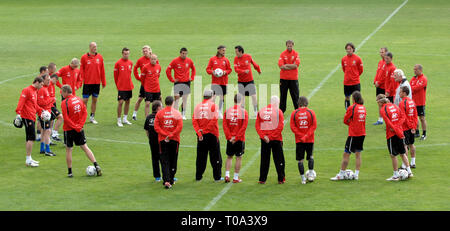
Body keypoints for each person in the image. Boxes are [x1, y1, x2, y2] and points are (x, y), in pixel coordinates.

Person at [61, 85, 102, 177]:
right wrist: (80, 125)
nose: (61, 93)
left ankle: (70, 172)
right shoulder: (79, 99)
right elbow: (85, 112)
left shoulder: (64, 102)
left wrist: (74, 126)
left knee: (69, 150)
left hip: (69, 129)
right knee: (85, 147)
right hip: (79, 128)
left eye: (62, 92)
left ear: (66, 92)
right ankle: (96, 164)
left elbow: (66, 119)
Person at [331, 91, 366, 181]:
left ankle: (341, 174)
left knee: (346, 154)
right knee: (358, 154)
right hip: (362, 134)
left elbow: (345, 120)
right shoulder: (363, 108)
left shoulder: (352, 107)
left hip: (354, 134)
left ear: (353, 98)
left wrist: (351, 124)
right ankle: (356, 175)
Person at [376, 94, 413, 181]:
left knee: (393, 155)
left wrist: (394, 128)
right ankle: (409, 172)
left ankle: (395, 175)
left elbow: (388, 123)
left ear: (380, 102)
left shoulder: (383, 110)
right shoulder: (394, 106)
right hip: (400, 132)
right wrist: (398, 126)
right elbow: (403, 117)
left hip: (392, 134)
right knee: (402, 153)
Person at [192, 90, 223, 182]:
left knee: (201, 156)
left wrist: (199, 132)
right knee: (215, 156)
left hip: (201, 136)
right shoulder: (213, 105)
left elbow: (194, 120)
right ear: (212, 96)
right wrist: (205, 130)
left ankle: (198, 176)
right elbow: (214, 119)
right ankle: (217, 177)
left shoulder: (198, 106)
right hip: (212, 134)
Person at [15, 76, 46, 167]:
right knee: (31, 138)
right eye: (41, 84)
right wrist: (18, 113)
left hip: (31, 116)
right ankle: (28, 160)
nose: (42, 86)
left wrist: (41, 111)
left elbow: (34, 104)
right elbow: (21, 102)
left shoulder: (35, 91)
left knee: (29, 138)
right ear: (36, 82)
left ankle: (29, 158)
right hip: (27, 117)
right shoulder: (27, 90)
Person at [154, 96, 183, 189]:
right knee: (173, 159)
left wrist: (165, 135)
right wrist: (171, 135)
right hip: (174, 140)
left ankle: (166, 180)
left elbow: (156, 127)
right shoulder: (177, 113)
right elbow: (179, 127)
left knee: (164, 160)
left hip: (163, 140)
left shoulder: (159, 113)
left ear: (165, 103)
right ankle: (171, 179)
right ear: (173, 103)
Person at [255, 96, 285, 184]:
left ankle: (262, 179)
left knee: (264, 159)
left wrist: (264, 136)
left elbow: (257, 126)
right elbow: (280, 127)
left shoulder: (262, 111)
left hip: (264, 140)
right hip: (276, 139)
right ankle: (281, 179)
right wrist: (271, 137)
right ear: (276, 103)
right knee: (279, 159)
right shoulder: (278, 112)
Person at [290, 96, 317, 184]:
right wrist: (306, 136)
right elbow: (314, 126)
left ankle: (303, 179)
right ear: (306, 103)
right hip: (309, 140)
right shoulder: (311, 112)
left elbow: (292, 127)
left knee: (300, 160)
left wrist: (300, 136)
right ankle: (311, 175)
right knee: (310, 157)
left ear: (298, 103)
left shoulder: (294, 113)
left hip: (299, 141)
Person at [223, 94, 249, 183]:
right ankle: (235, 177)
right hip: (239, 139)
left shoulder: (227, 111)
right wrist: (237, 137)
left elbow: (225, 125)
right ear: (241, 101)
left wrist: (230, 137)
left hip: (230, 139)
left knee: (229, 157)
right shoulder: (244, 112)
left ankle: (227, 175)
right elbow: (244, 127)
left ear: (234, 100)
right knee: (239, 157)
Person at [166, 47, 196, 120]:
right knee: (177, 98)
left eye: (185, 53)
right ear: (180, 53)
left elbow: (193, 69)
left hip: (186, 82)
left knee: (185, 99)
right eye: (183, 53)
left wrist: (192, 78)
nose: (184, 55)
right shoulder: (175, 61)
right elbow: (168, 70)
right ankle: (176, 114)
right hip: (178, 82)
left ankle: (183, 114)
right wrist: (172, 79)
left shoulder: (189, 61)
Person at [80, 42, 106, 124]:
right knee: (85, 100)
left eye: (96, 47)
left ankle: (92, 117)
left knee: (94, 100)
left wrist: (103, 81)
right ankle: (82, 117)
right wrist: (81, 80)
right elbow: (81, 70)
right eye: (94, 47)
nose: (95, 48)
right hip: (87, 83)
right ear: (90, 47)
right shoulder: (84, 57)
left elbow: (102, 70)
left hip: (96, 83)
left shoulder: (100, 57)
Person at [234, 45, 261, 117]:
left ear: (240, 51)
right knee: (242, 97)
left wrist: (258, 69)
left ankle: (255, 111)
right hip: (241, 81)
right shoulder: (236, 59)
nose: (235, 53)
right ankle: (243, 113)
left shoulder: (248, 57)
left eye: (236, 51)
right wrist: (243, 71)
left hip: (249, 81)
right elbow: (236, 70)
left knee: (254, 96)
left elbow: (254, 64)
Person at [206, 45, 232, 118]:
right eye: (223, 50)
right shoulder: (212, 59)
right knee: (213, 97)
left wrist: (224, 72)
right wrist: (212, 72)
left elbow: (230, 70)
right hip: (215, 82)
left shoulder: (226, 60)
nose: (224, 52)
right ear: (219, 50)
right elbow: (207, 69)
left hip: (223, 82)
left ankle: (219, 112)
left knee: (221, 97)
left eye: (225, 50)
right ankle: (212, 111)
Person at [278, 40, 301, 114]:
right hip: (283, 79)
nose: (289, 47)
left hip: (293, 79)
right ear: (286, 46)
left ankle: (298, 110)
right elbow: (281, 66)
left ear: (293, 45)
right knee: (283, 95)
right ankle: (281, 111)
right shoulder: (282, 54)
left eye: (290, 46)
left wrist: (286, 65)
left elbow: (296, 65)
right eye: (288, 46)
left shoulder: (296, 54)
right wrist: (291, 66)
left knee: (295, 95)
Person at [114, 47, 134, 127]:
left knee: (128, 101)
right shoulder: (118, 63)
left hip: (129, 86)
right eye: (125, 54)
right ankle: (119, 120)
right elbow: (115, 76)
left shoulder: (130, 63)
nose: (126, 55)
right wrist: (118, 85)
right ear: (122, 54)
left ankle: (125, 119)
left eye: (127, 54)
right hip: (121, 87)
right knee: (120, 102)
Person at [398, 86, 418, 168]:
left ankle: (404, 165)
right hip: (412, 127)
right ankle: (413, 162)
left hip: (405, 128)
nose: (399, 93)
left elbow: (404, 117)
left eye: (400, 92)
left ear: (404, 93)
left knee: (405, 146)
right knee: (411, 144)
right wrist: (414, 127)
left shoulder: (402, 103)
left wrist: (410, 127)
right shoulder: (412, 102)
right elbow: (415, 115)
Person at [37, 74, 56, 156]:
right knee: (47, 131)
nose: (49, 81)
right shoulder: (42, 90)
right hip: (44, 114)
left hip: (46, 113)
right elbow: (41, 102)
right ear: (43, 81)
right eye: (47, 80)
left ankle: (42, 149)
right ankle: (47, 150)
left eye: (49, 79)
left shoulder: (45, 89)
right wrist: (52, 99)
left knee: (44, 131)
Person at [132, 45, 153, 120]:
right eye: (143, 51)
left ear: (149, 50)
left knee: (158, 99)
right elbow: (135, 68)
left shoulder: (153, 59)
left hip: (153, 83)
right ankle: (134, 114)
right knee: (140, 98)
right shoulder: (140, 60)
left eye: (146, 51)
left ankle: (159, 114)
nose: (145, 52)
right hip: (144, 84)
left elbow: (158, 69)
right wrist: (138, 77)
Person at [144, 101, 163, 182]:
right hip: (161, 141)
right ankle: (167, 176)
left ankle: (157, 177)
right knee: (164, 159)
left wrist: (150, 139)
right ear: (158, 107)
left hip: (152, 142)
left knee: (155, 158)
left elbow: (146, 130)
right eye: (161, 106)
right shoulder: (161, 117)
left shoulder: (148, 117)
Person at [341, 42, 363, 110]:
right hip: (347, 82)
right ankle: (348, 111)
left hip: (355, 82)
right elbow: (344, 69)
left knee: (356, 98)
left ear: (353, 49)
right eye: (347, 49)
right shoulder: (343, 59)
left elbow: (361, 70)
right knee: (347, 97)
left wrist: (355, 76)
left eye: (350, 49)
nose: (348, 50)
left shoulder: (358, 59)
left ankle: (357, 111)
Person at [410, 64, 428, 140]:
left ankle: (424, 134)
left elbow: (417, 88)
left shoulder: (423, 79)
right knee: (414, 118)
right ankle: (416, 132)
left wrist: (411, 88)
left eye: (416, 69)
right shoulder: (413, 78)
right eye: (414, 69)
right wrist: (411, 88)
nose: (414, 71)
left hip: (420, 102)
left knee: (422, 118)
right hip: (413, 102)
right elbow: (409, 87)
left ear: (420, 70)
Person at [48, 63, 63, 141]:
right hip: (49, 105)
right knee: (60, 117)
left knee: (51, 119)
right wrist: (52, 99)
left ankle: (49, 137)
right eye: (56, 80)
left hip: (52, 103)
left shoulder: (52, 84)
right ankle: (54, 134)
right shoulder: (48, 84)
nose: (57, 82)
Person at [373, 47, 388, 125]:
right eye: (380, 52)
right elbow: (377, 72)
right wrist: (375, 81)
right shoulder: (380, 62)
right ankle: (380, 119)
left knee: (385, 104)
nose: (381, 53)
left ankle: (387, 120)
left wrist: (379, 82)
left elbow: (385, 76)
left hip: (383, 87)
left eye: (382, 52)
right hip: (378, 85)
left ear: (386, 53)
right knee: (379, 102)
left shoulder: (386, 63)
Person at [36, 66, 48, 141]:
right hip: (40, 104)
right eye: (46, 71)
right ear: (43, 71)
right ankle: (39, 135)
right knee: (40, 120)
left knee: (40, 120)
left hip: (41, 102)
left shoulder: (43, 80)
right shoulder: (39, 80)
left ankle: (39, 135)